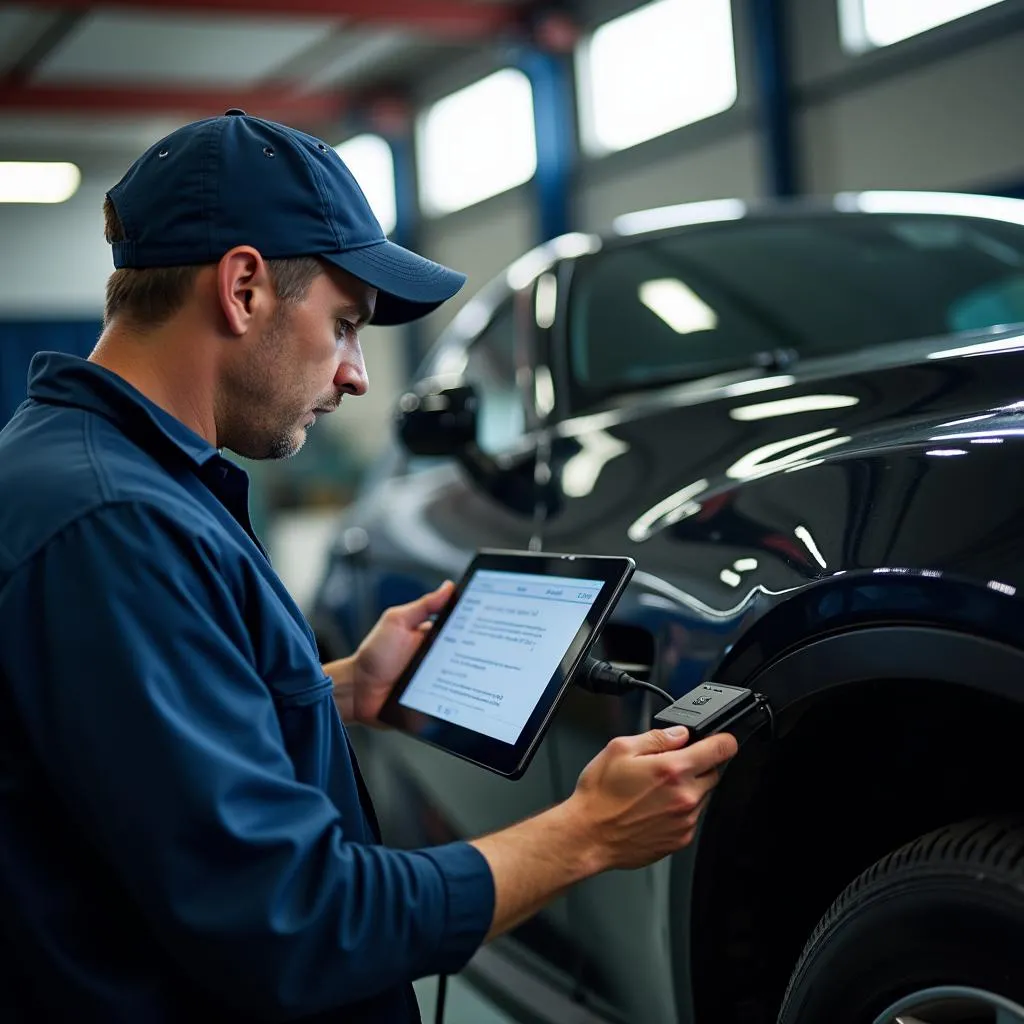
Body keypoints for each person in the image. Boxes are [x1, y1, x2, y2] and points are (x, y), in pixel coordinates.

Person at [0, 111, 738, 1023]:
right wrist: (585, 834)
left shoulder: (96, 476)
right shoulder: (114, 525)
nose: (356, 374)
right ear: (243, 289)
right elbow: (296, 922)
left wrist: (335, 690)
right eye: (345, 324)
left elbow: (132, 745)